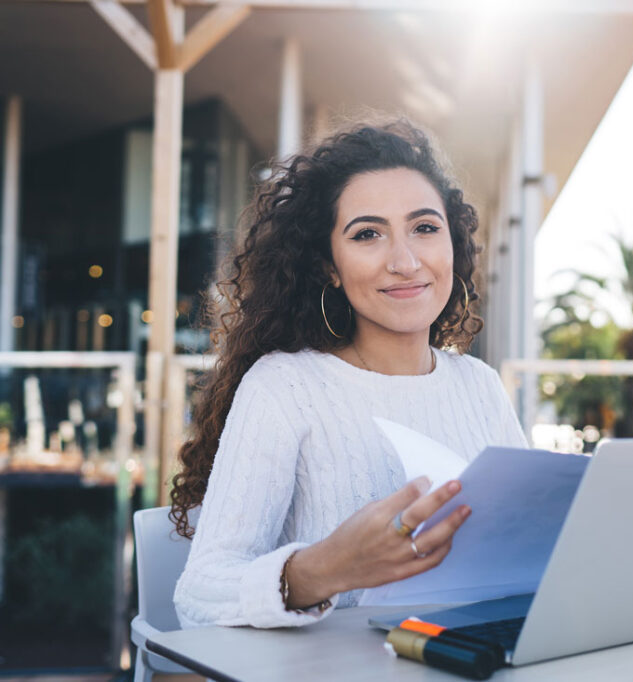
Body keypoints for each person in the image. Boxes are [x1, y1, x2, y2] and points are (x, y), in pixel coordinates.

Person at [170, 120, 528, 629]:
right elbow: (199, 595)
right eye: (367, 234)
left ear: (454, 245)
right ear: (328, 267)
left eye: (425, 228)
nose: (405, 261)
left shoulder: (479, 385)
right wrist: (324, 568)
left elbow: (526, 544)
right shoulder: (285, 388)